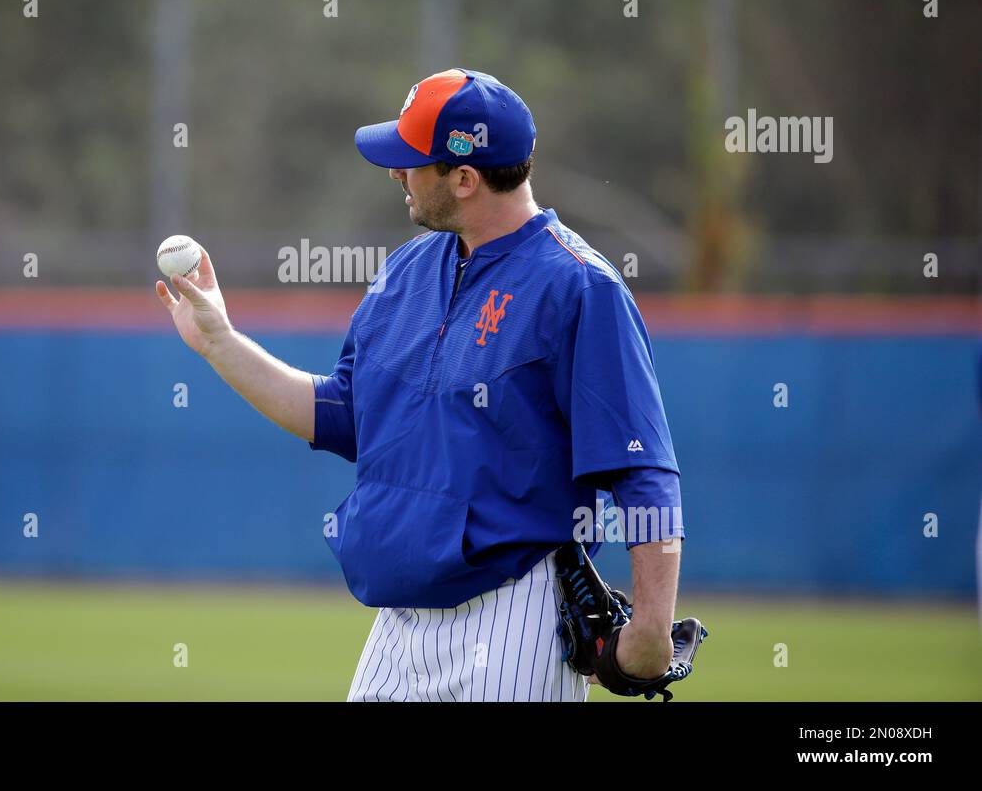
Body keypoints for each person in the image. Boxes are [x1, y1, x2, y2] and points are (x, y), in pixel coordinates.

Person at [156, 68, 686, 701]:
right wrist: (221, 343)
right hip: (397, 620)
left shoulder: (579, 288)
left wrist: (651, 632)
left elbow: (643, 471)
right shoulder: (405, 270)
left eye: (413, 160)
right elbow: (339, 415)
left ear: (465, 178)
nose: (395, 172)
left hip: (512, 614)